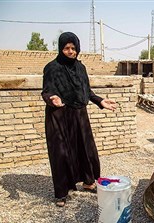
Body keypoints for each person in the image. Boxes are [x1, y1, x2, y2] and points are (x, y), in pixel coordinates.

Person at [41, 31, 117, 207]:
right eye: (66, 48)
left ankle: (89, 182)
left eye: (73, 48)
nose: (70, 51)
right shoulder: (52, 68)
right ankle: (61, 192)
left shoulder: (80, 68)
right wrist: (52, 98)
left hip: (79, 114)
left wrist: (100, 101)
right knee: (61, 153)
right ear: (61, 49)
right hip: (59, 115)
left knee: (86, 148)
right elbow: (46, 91)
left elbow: (87, 92)